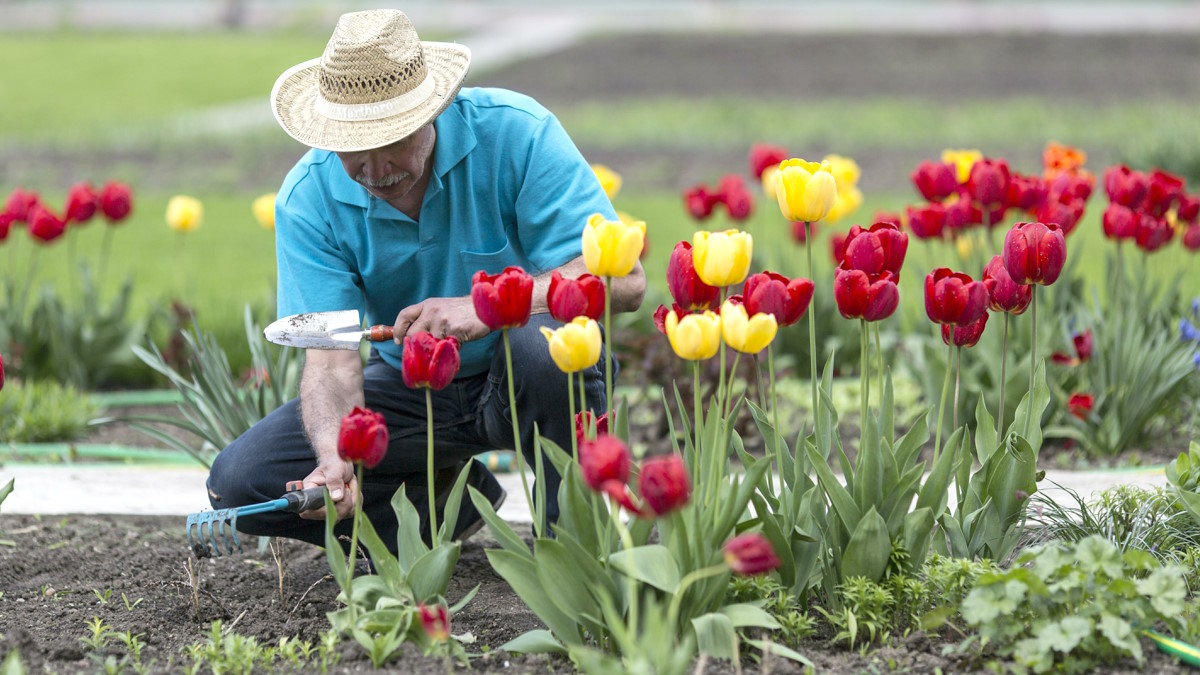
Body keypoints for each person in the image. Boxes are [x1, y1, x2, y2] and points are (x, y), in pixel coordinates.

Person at [206, 9, 645, 553]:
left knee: (545, 349)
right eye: (351, 145)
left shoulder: (516, 134)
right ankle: (438, 512)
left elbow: (625, 281)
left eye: (392, 139)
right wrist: (335, 459)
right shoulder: (309, 199)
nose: (374, 166)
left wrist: (489, 308)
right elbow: (331, 361)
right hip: (414, 393)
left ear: (433, 110)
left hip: (528, 376)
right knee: (240, 480)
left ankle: (575, 553)